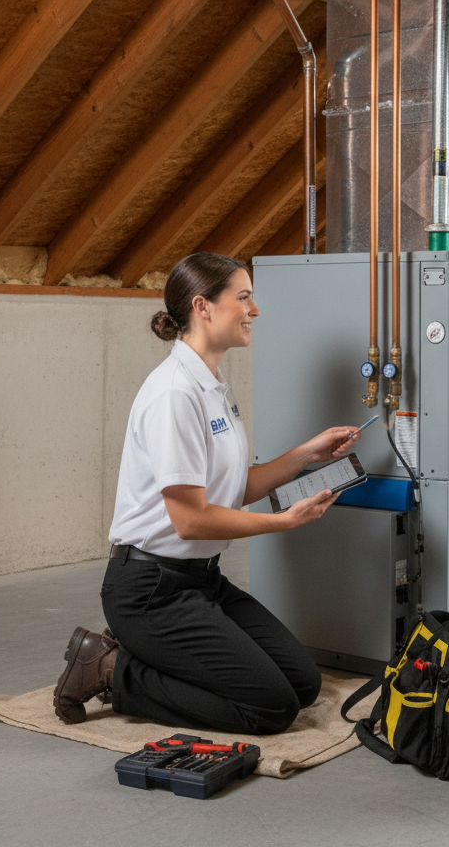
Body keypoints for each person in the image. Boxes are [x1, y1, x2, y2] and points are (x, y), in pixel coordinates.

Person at [53, 252, 361, 735]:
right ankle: (110, 668)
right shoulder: (174, 393)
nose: (254, 310)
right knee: (271, 709)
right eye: (244, 298)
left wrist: (308, 452)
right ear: (203, 306)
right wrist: (284, 522)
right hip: (150, 592)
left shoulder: (213, 384)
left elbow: (234, 489)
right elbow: (191, 520)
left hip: (201, 581)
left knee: (302, 684)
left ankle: (149, 659)